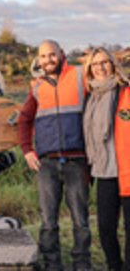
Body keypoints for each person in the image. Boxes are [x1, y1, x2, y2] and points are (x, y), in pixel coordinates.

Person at [18, 39, 91, 271]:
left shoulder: (80, 76)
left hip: (77, 160)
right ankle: (52, 265)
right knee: (48, 222)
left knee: (80, 220)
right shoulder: (37, 86)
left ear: (61, 53)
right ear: (38, 59)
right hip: (47, 164)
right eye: (43, 56)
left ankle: (82, 264)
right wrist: (27, 150)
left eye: (52, 55)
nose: (48, 60)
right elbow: (24, 119)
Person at [83, 46, 130, 271]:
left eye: (104, 62)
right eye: (95, 64)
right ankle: (114, 266)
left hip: (127, 172)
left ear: (113, 64)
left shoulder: (125, 91)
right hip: (104, 172)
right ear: (90, 69)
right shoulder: (90, 97)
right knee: (105, 229)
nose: (100, 67)